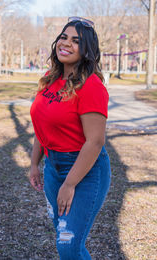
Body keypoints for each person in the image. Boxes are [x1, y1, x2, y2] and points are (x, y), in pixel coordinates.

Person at [29, 16, 111, 260]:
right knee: (65, 239)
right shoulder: (50, 79)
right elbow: (42, 126)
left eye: (76, 41)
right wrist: (35, 164)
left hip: (84, 171)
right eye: (63, 37)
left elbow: (95, 141)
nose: (66, 43)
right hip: (53, 167)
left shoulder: (91, 86)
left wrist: (70, 184)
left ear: (87, 50)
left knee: (68, 244)